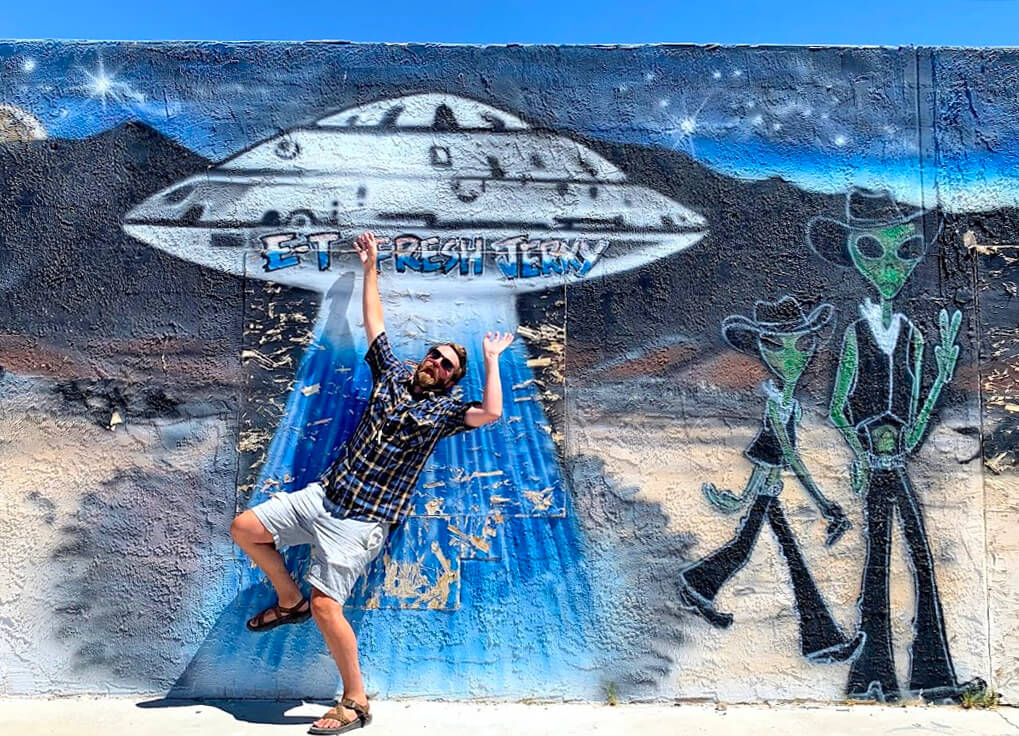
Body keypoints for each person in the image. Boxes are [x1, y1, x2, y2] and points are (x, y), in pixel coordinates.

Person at [229, 231, 515, 734]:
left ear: (453, 378)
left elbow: (491, 411)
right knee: (246, 528)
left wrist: (491, 361)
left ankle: (355, 701)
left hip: (361, 523)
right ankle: (287, 599)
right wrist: (371, 267)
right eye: (434, 355)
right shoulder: (392, 374)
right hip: (324, 496)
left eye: (446, 363)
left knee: (327, 605)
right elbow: (374, 322)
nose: (435, 363)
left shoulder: (447, 410)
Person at [677, 296, 863, 664]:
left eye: (803, 345)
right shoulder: (777, 404)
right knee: (774, 555)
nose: (793, 358)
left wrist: (746, 497)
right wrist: (821, 503)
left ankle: (699, 587)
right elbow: (784, 456)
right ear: (761, 350)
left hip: (768, 492)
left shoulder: (787, 404)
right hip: (767, 492)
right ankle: (819, 639)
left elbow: (776, 457)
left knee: (760, 552)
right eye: (777, 347)